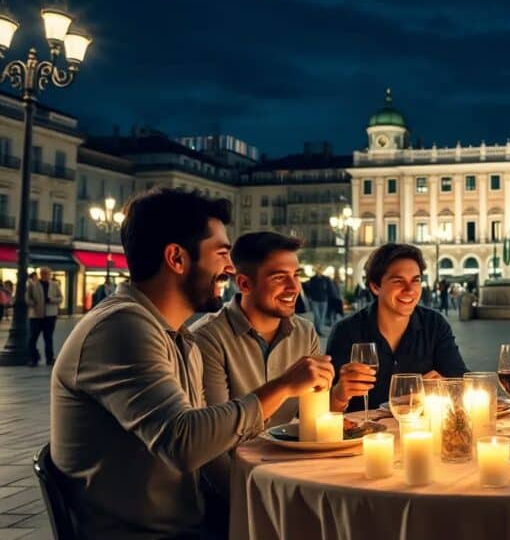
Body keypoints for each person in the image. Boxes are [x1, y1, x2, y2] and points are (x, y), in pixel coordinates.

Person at [50, 188, 335, 540]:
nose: (230, 269)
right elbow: (185, 443)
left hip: (190, 522)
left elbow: (214, 435)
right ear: (177, 258)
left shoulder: (178, 336)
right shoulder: (121, 327)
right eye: (221, 254)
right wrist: (283, 386)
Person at [191, 231, 322, 498]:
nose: (294, 287)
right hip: (234, 495)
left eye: (296, 275)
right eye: (279, 278)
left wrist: (338, 399)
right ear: (244, 283)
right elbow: (212, 446)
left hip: (292, 479)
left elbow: (312, 421)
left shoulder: (305, 332)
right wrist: (252, 502)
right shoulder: (207, 338)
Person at [327, 243, 470, 413]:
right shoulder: (346, 331)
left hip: (420, 432)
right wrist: (339, 395)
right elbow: (321, 407)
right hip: (362, 435)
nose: (410, 290)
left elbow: (461, 382)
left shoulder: (434, 324)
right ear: (375, 286)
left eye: (415, 280)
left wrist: (444, 387)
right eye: (398, 281)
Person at [26, 266, 63, 366]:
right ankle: (33, 358)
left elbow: (60, 298)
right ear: (39, 274)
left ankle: (49, 359)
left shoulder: (55, 285)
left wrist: (52, 300)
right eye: (43, 273)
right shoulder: (33, 284)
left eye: (47, 273)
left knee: (48, 338)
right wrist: (33, 303)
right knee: (33, 338)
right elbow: (27, 298)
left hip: (50, 314)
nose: (45, 275)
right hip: (36, 315)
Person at [303, 266, 331, 334]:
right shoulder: (313, 279)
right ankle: (319, 331)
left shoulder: (326, 279)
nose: (319, 271)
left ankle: (316, 330)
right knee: (317, 316)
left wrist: (329, 297)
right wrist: (309, 297)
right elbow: (308, 288)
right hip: (315, 300)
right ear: (316, 271)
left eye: (320, 269)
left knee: (322, 317)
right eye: (318, 269)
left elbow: (329, 289)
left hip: (324, 300)